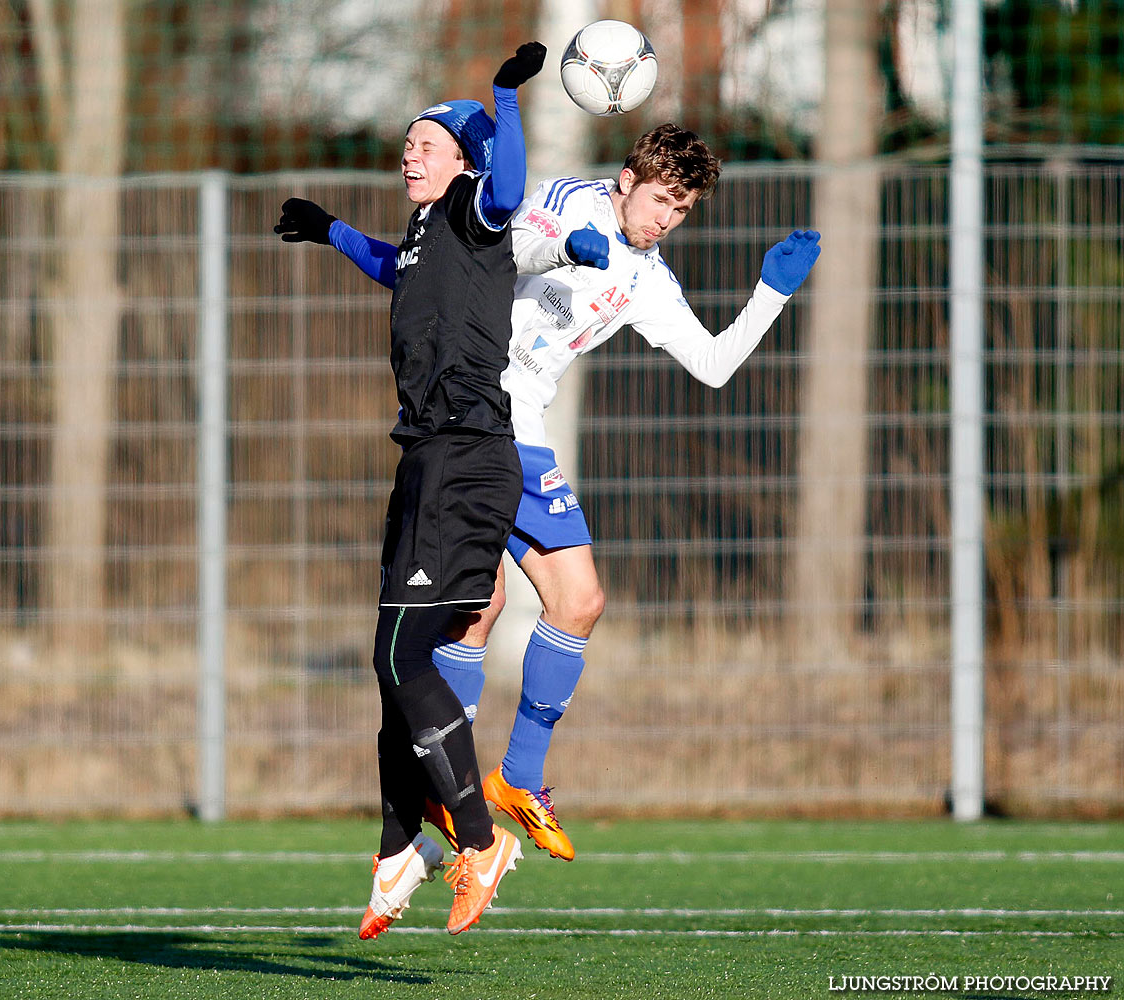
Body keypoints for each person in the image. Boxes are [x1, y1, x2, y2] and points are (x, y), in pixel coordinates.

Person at [423, 124, 822, 862]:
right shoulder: (570, 200)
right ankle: (449, 784)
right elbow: (495, 250)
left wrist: (771, 292)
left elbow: (710, 365)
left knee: (550, 605)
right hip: (477, 406)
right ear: (626, 179)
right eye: (661, 198)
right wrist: (564, 249)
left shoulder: (650, 277)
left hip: (518, 422)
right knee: (510, 605)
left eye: (682, 208)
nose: (665, 218)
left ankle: (506, 781)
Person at [274, 42, 547, 938]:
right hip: (428, 459)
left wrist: (504, 101)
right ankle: (398, 848)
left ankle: (475, 841)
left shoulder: (475, 206)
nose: (409, 151)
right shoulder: (429, 233)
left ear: (462, 156)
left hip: (466, 458)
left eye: (424, 140)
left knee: (400, 657)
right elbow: (395, 268)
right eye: (406, 140)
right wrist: (331, 233)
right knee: (393, 662)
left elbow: (508, 183)